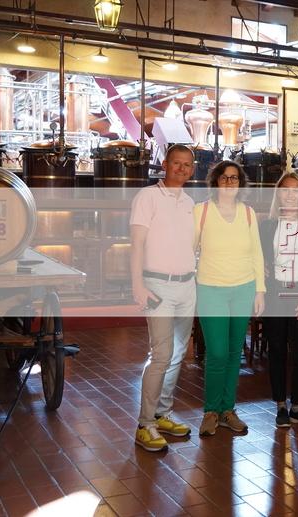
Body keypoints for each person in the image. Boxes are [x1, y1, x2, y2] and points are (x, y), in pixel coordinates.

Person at [130, 144, 197, 452]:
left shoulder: (189, 202)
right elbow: (137, 245)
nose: (181, 168)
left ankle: (163, 413)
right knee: (161, 354)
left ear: (192, 170)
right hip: (158, 285)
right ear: (165, 164)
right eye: (176, 163)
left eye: (187, 164)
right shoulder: (147, 197)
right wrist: (138, 285)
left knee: (179, 353)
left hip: (187, 286)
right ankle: (145, 424)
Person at [195, 160, 265, 437]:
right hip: (210, 289)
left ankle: (227, 410)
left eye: (234, 178)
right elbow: (188, 249)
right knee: (217, 352)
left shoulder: (248, 213)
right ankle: (211, 411)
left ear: (240, 182)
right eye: (224, 177)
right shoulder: (201, 211)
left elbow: (257, 253)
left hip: (243, 289)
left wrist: (260, 290)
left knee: (235, 353)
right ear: (215, 181)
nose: (228, 182)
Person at [259, 172, 298, 429]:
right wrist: (262, 268)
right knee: (277, 350)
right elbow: (259, 258)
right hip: (275, 294)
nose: (291, 195)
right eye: (286, 190)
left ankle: (297, 407)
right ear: (279, 194)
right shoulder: (267, 226)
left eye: (296, 190)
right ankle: (281, 406)